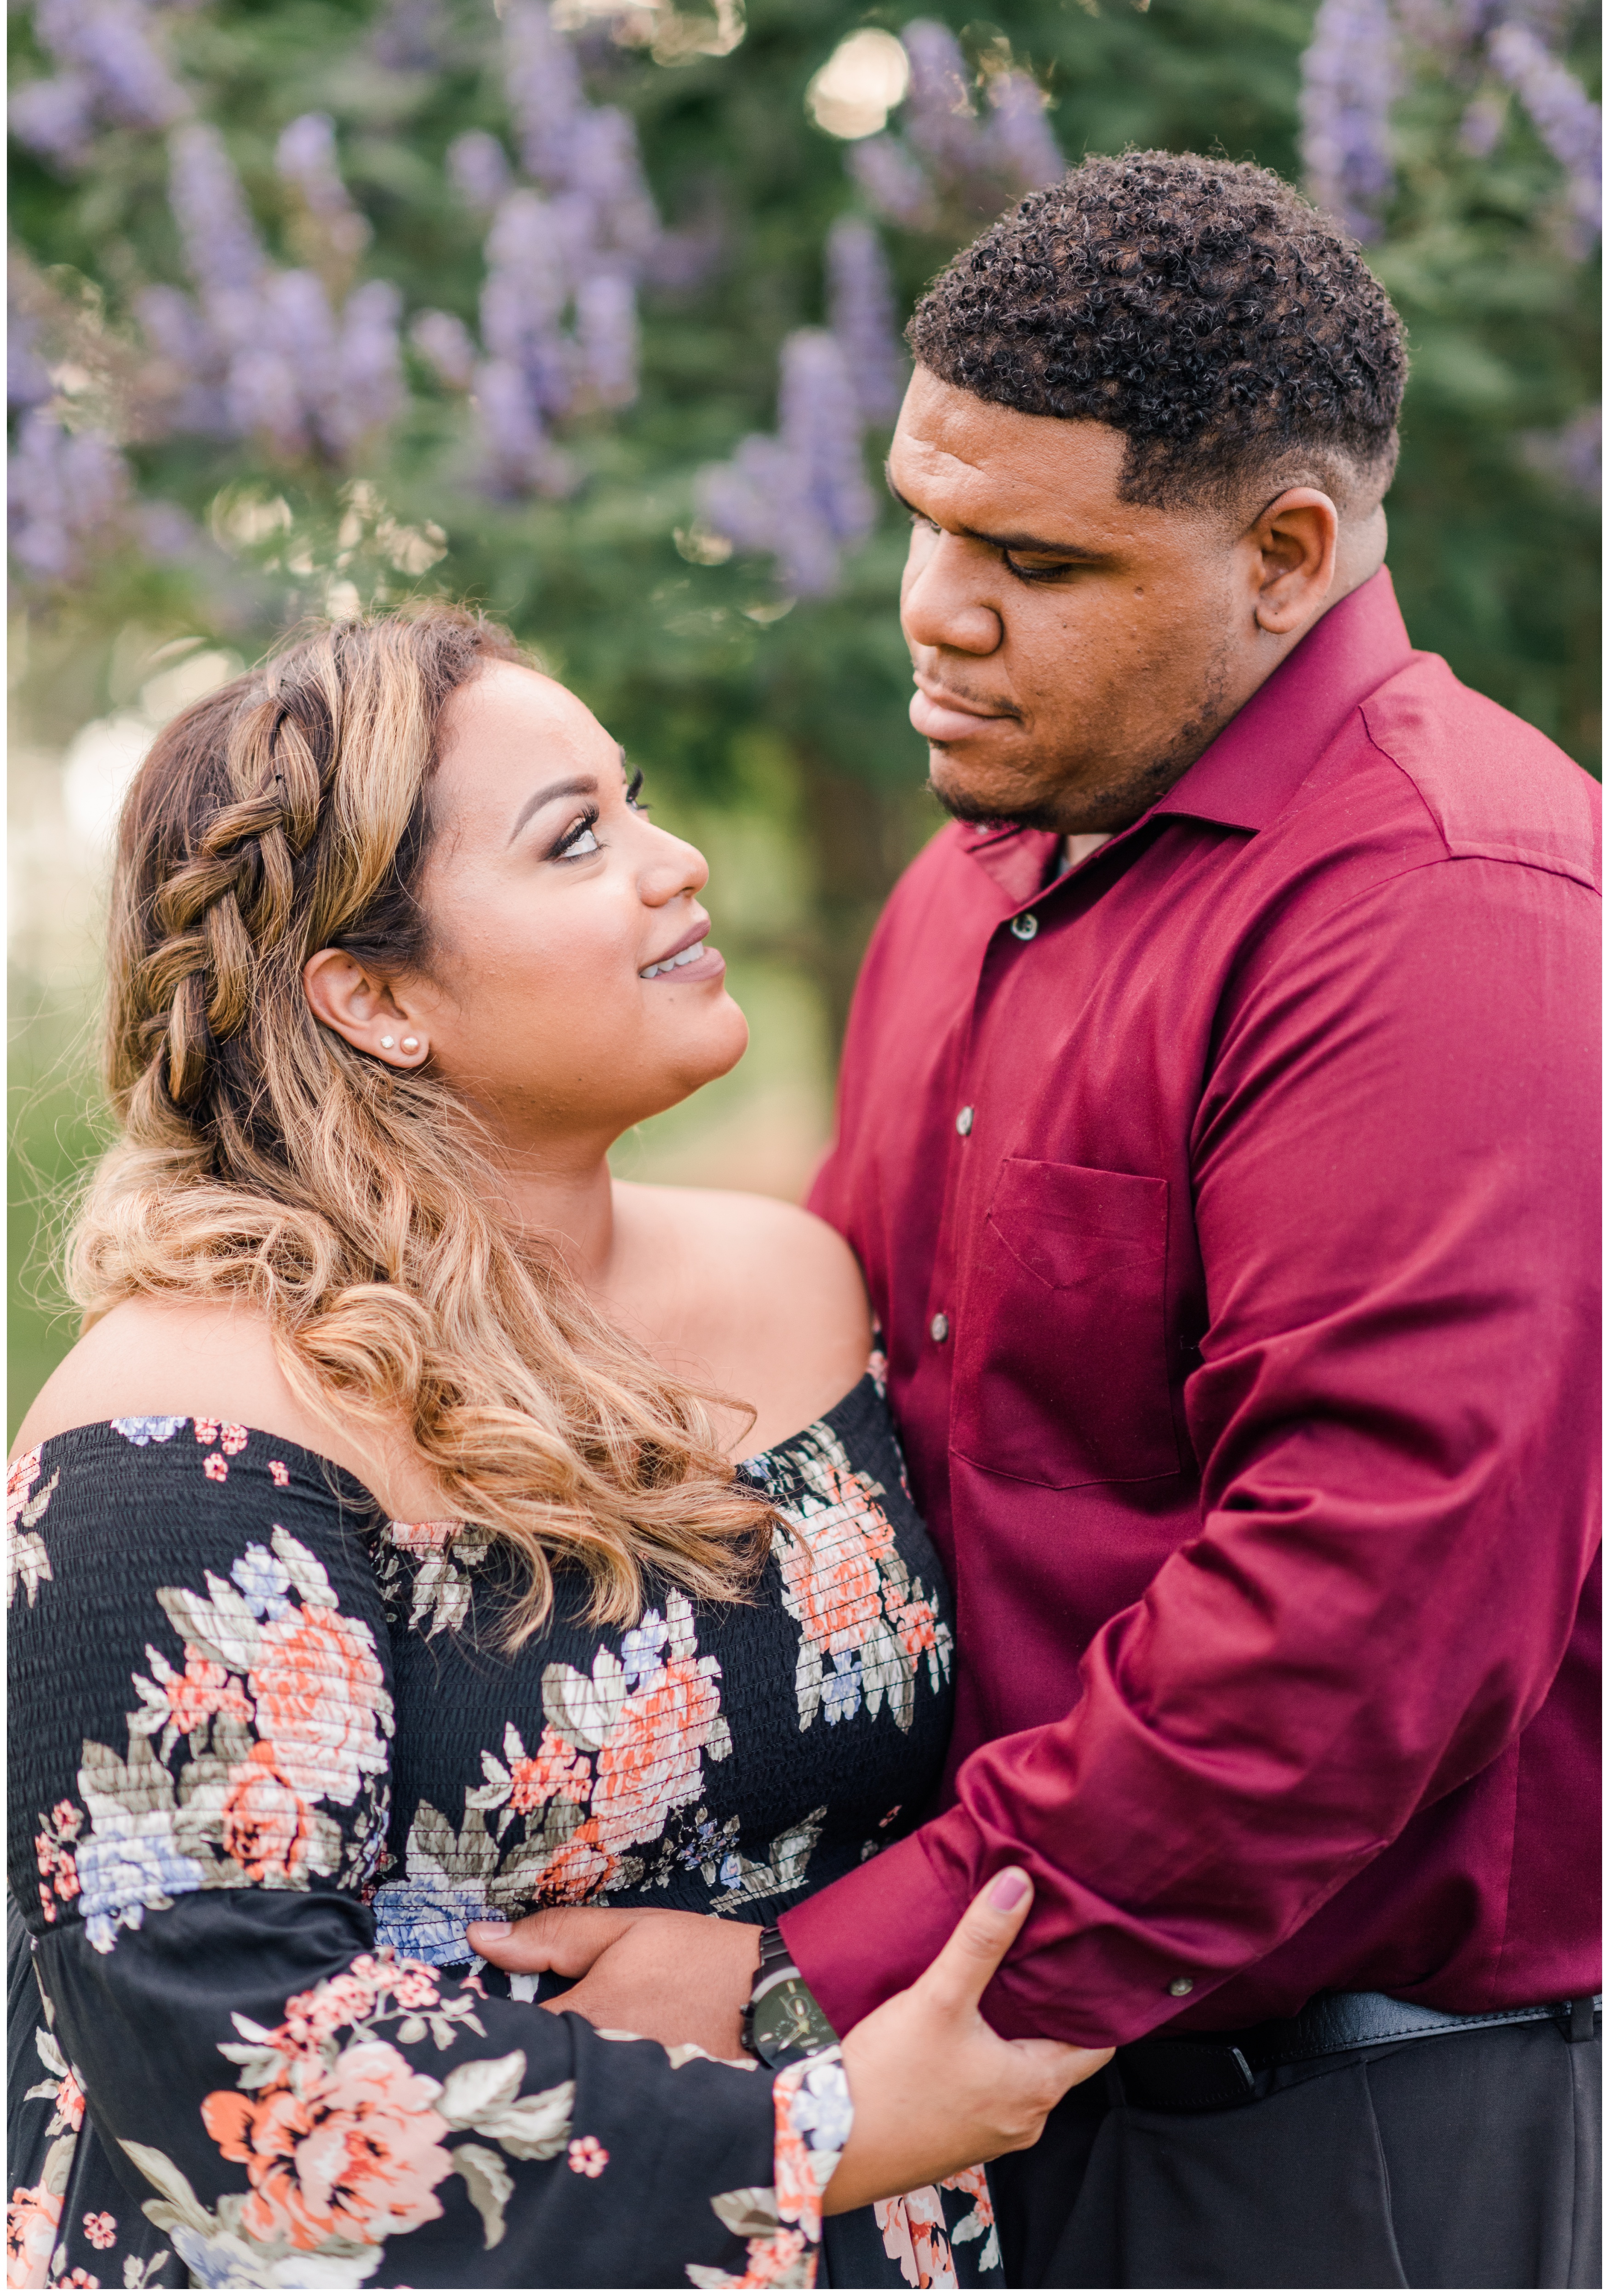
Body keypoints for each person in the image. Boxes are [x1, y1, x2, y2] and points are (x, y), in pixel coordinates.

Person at [486, 154, 1602, 2289]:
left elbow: (1342, 1634)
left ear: (1283, 552)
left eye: (1030, 555)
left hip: (1320, 2134)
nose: (931, 603)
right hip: (971, 2102)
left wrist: (791, 1982)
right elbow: (838, 1447)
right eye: (920, 513)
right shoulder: (978, 873)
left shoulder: (1447, 913)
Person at [6, 607, 1112, 2292]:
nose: (675, 863)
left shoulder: (798, 1282)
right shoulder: (181, 1424)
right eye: (575, 837)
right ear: (372, 997)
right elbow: (227, 2047)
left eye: (638, 800)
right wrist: (817, 2135)